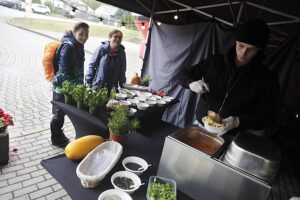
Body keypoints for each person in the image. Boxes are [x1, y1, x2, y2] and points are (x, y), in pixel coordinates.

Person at [180, 19, 279, 136]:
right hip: (201, 125)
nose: (243, 53)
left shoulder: (266, 78)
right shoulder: (214, 62)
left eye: (251, 49)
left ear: (259, 50)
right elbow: (183, 74)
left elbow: (267, 116)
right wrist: (191, 83)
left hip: (232, 135)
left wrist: (238, 121)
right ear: (236, 41)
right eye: (241, 45)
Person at [51, 22, 89, 147]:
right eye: (81, 34)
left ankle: (58, 135)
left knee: (63, 112)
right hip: (62, 86)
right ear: (75, 33)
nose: (84, 37)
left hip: (72, 86)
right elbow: (64, 72)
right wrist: (73, 88)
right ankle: (56, 139)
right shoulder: (69, 47)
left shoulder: (79, 45)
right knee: (59, 113)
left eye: (86, 35)